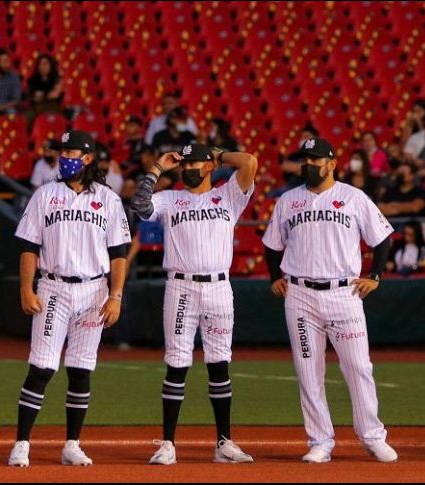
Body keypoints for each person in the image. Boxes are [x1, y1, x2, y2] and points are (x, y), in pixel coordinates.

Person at [263, 137, 398, 464]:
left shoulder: (353, 197)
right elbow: (271, 244)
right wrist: (274, 278)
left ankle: (372, 436)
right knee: (309, 371)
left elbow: (383, 237)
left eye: (315, 159)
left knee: (358, 367)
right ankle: (320, 440)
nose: (309, 164)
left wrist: (375, 275)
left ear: (332, 163)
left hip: (344, 294)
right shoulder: (288, 200)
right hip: (300, 296)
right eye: (305, 159)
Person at [7, 130, 131, 467]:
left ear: (88, 158)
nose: (65, 158)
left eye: (71, 152)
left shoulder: (108, 199)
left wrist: (116, 295)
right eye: (62, 153)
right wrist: (26, 288)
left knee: (80, 370)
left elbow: (119, 253)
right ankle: (21, 443)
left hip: (94, 290)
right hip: (53, 288)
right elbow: (29, 247)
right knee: (42, 367)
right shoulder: (45, 194)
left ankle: (72, 444)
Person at [132, 143, 257, 465]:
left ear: (209, 166)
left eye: (195, 163)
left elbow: (250, 163)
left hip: (218, 287)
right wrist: (158, 168)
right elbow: (140, 205)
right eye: (184, 163)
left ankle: (224, 443)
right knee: (177, 362)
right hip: (181, 287)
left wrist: (219, 154)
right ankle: (168, 444)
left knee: (219, 363)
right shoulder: (170, 198)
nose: (188, 168)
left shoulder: (228, 196)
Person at [25, 53, 63, 128]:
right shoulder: (32, 80)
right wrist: (44, 96)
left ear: (51, 66)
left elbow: (55, 95)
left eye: (45, 64)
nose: (42, 67)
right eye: (40, 64)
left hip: (51, 106)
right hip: (35, 107)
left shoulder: (57, 79)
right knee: (26, 117)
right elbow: (32, 97)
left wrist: (42, 95)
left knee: (49, 117)